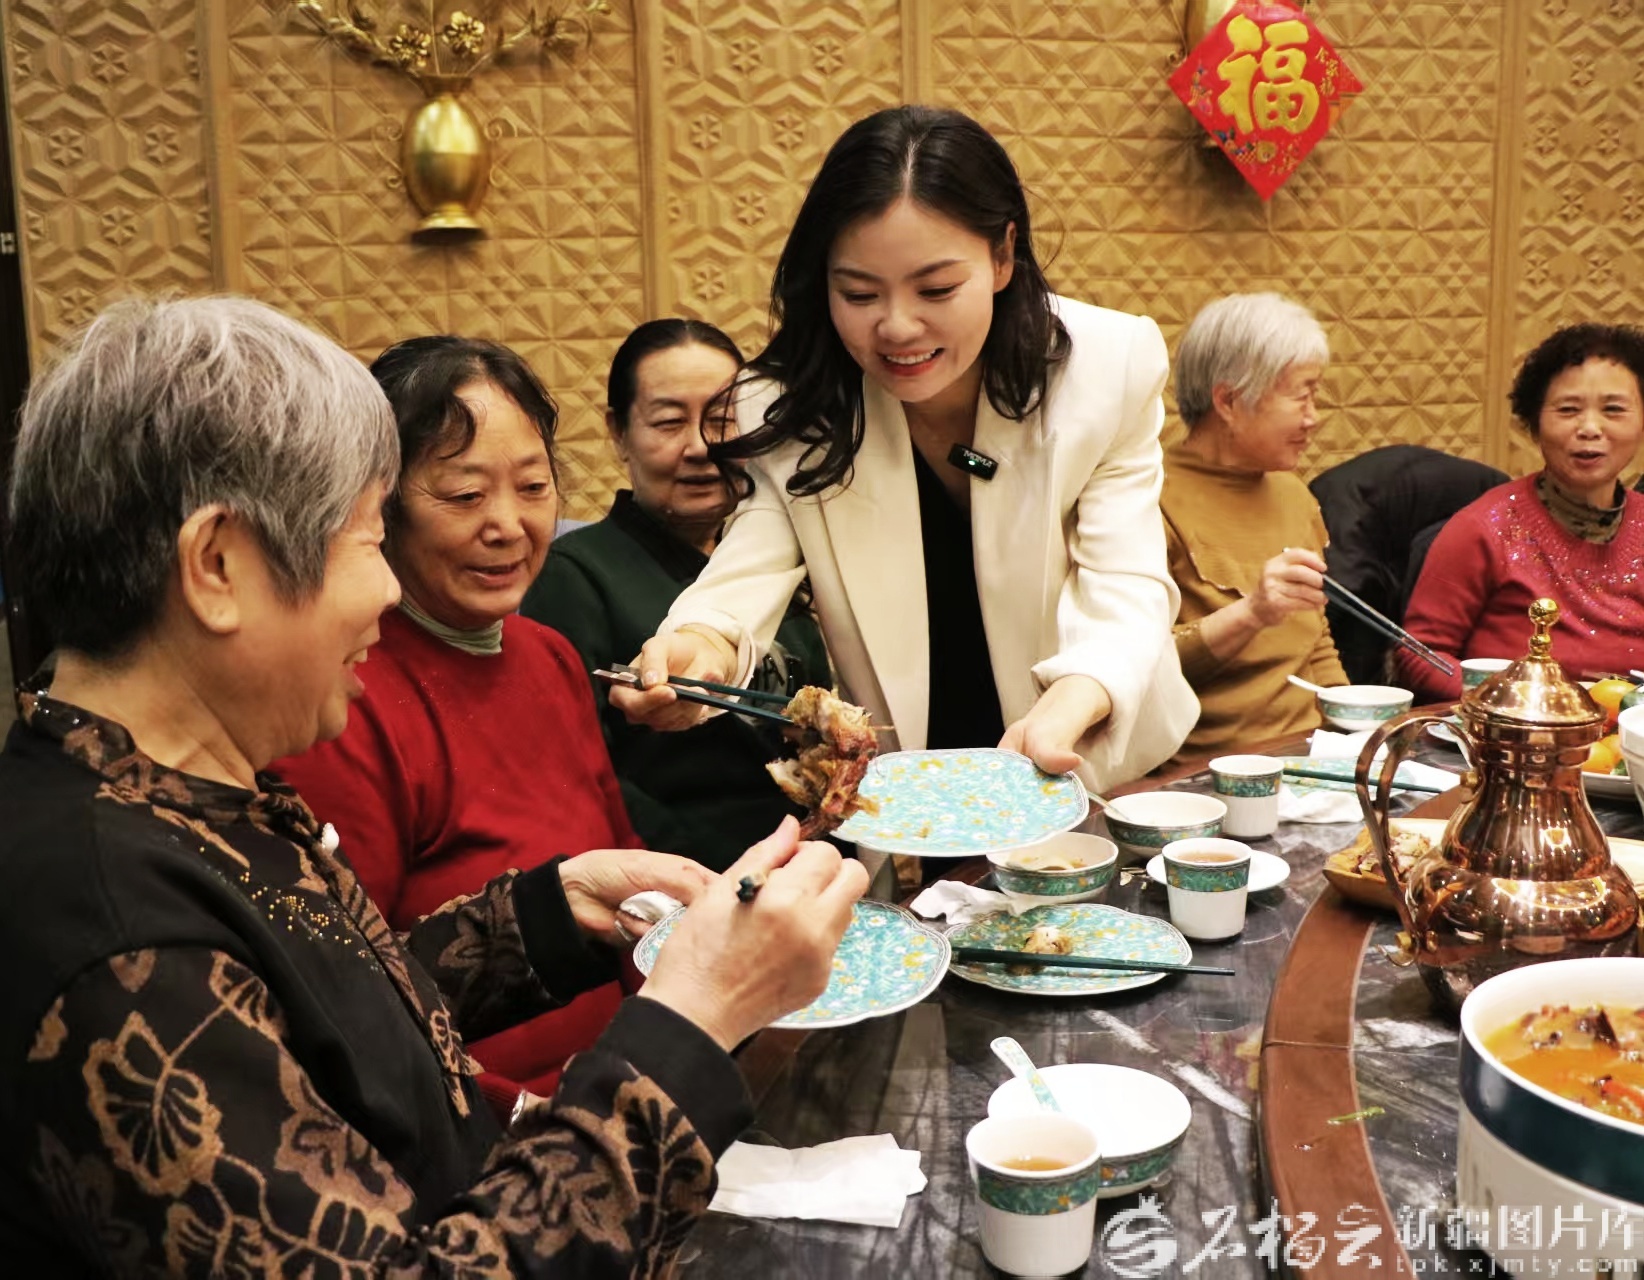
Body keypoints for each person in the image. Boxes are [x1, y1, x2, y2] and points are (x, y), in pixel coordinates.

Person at [0, 296, 866, 1272]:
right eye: (369, 539)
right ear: (218, 565)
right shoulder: (118, 936)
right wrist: (691, 1026)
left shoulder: (174, 793)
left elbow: (333, 1025)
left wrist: (547, 913)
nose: (387, 590)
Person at [611, 105, 1197, 792]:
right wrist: (697, 650)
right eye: (859, 293)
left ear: (1003, 256)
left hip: (1092, 750)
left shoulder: (1104, 368)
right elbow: (747, 571)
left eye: (936, 289)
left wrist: (1078, 695)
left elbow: (1124, 578)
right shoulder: (794, 403)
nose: (896, 327)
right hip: (916, 782)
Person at [274, 336, 649, 1102]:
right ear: (379, 508)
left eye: (533, 487)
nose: (508, 524)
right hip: (484, 1121)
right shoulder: (342, 695)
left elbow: (625, 868)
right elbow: (352, 995)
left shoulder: (549, 655)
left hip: (619, 1088)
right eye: (464, 495)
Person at [521, 320, 831, 871]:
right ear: (619, 433)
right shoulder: (574, 575)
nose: (700, 447)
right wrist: (712, 869)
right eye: (668, 422)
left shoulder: (776, 566)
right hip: (680, 878)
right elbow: (580, 770)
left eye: (722, 420)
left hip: (813, 865)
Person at [1397, 323, 1644, 701]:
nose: (1590, 428)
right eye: (1568, 410)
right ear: (1535, 422)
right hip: (1515, 729)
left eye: (1613, 410)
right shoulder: (1484, 527)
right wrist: (1508, 703)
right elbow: (1420, 655)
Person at [1161, 292, 1348, 757]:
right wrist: (1252, 614)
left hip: (1308, 759)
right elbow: (1133, 670)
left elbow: (1315, 641)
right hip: (1202, 771)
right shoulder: (1148, 500)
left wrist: (1353, 728)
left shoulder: (1293, 494)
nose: (1314, 417)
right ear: (1229, 400)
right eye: (1302, 395)